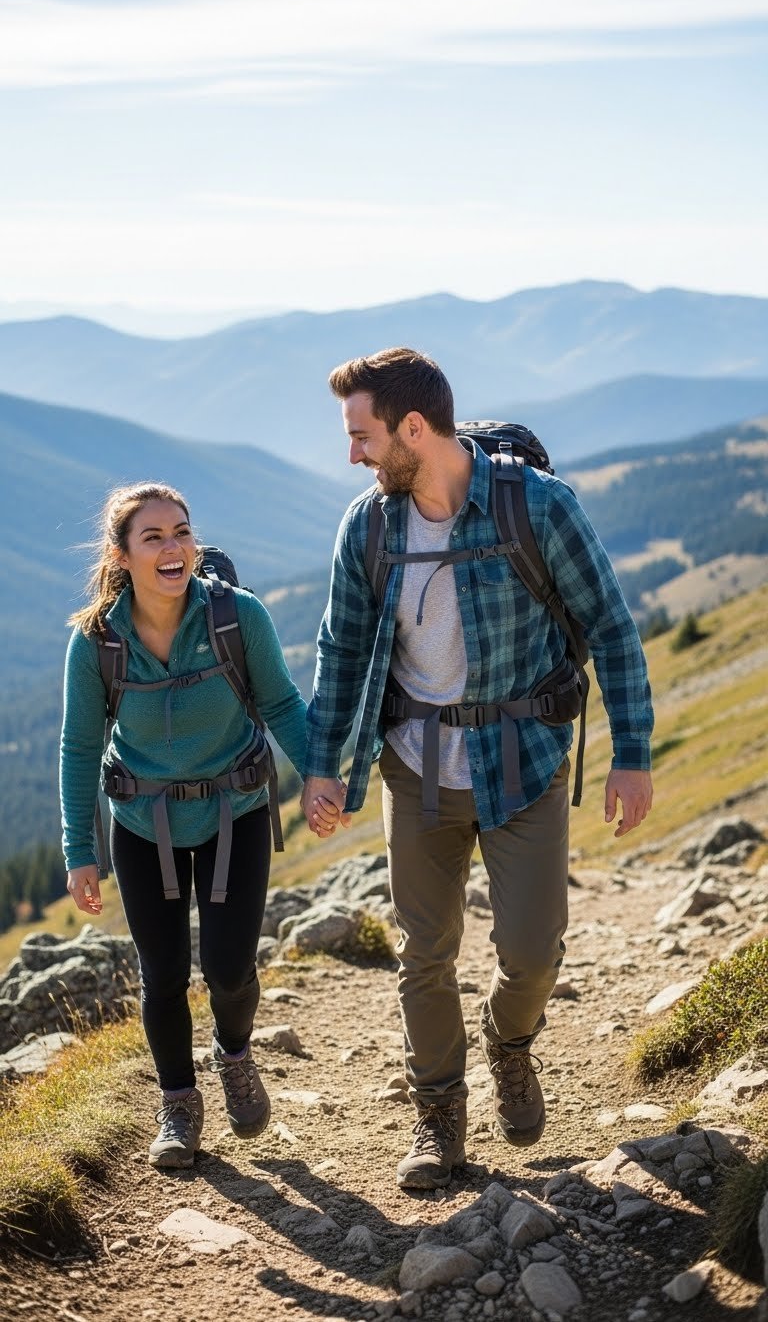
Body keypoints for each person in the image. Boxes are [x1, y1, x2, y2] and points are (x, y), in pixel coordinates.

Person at [301, 348, 654, 1190]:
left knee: (533, 952)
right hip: (414, 767)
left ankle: (510, 1039)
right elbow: (341, 652)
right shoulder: (370, 526)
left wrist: (631, 754)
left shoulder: (537, 506)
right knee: (425, 952)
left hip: (521, 756)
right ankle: (438, 1117)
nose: (352, 453)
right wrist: (324, 767)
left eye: (362, 435)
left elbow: (612, 626)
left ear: (413, 429)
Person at [61, 482, 342, 1169]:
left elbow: (279, 702)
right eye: (152, 536)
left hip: (235, 813)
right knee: (161, 974)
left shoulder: (235, 616)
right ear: (122, 555)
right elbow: (77, 746)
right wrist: (81, 848)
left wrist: (319, 777)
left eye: (181, 532)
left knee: (228, 967)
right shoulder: (98, 641)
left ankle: (234, 1051)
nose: (172, 547)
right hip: (141, 823)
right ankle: (178, 1103)